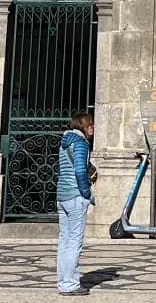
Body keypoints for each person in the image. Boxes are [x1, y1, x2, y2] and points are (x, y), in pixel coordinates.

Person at [55, 109, 95, 297]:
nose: (92, 127)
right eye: (90, 124)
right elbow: (80, 171)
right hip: (75, 197)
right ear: (83, 126)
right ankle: (70, 284)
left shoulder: (65, 142)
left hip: (62, 195)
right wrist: (86, 192)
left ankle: (63, 281)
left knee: (64, 240)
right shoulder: (80, 144)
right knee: (74, 241)